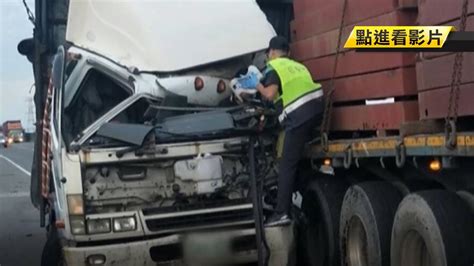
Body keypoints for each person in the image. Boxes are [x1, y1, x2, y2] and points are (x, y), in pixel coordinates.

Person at [237, 36, 325, 226]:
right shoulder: (297, 66)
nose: (268, 58)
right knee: (300, 157)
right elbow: (283, 95)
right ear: (289, 52)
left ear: (272, 52)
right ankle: (303, 202)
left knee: (287, 164)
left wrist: (256, 84)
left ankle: (281, 213)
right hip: (317, 110)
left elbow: (269, 94)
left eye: (268, 54)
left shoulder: (274, 67)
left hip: (299, 115)